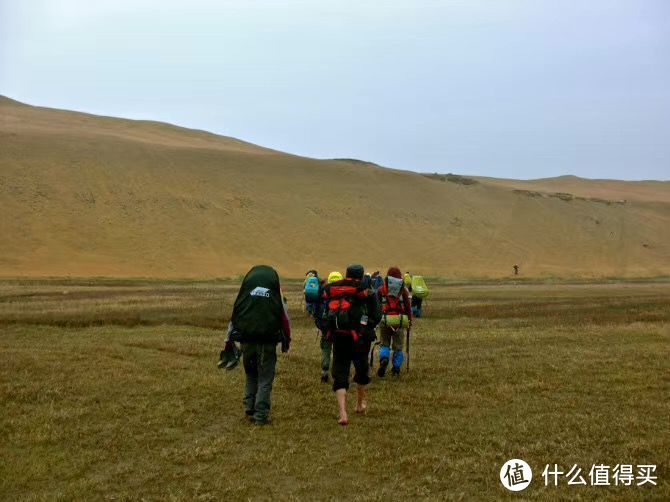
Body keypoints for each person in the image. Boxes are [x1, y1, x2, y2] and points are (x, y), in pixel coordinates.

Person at [228, 265, 291, 425]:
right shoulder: (276, 295)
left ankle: (249, 407)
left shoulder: (246, 294)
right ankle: (260, 415)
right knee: (265, 378)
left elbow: (234, 316)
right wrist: (286, 340)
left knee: (251, 375)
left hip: (247, 340)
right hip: (267, 342)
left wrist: (228, 340)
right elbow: (284, 319)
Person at [321, 264, 381, 425]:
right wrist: (366, 325)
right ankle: (359, 404)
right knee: (361, 368)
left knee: (340, 371)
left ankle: (342, 413)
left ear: (346, 274)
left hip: (338, 335)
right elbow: (377, 315)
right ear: (361, 276)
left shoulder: (335, 289)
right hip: (361, 337)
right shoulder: (366, 290)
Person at [377, 267, 412, 377]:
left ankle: (384, 359)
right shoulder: (403, 290)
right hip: (399, 321)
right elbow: (407, 307)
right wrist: (409, 321)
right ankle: (396, 369)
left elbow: (377, 306)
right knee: (398, 346)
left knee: (384, 344)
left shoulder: (381, 289)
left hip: (385, 320)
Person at [313, 270, 343, 383]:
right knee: (338, 350)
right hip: (339, 328)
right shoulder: (343, 294)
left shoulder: (322, 293)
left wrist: (319, 324)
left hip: (325, 327)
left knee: (326, 349)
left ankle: (325, 370)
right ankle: (337, 373)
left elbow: (316, 311)